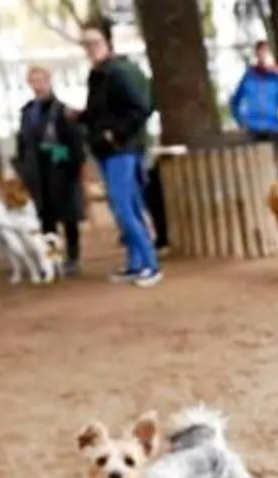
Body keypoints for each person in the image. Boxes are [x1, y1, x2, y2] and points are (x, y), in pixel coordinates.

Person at [78, 16, 161, 288]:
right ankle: (136, 262)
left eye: (94, 42)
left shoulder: (119, 72)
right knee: (127, 206)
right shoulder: (98, 74)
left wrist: (117, 134)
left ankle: (150, 263)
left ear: (107, 41)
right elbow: (100, 111)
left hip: (122, 150)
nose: (90, 48)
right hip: (106, 149)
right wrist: (83, 117)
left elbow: (142, 106)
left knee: (124, 206)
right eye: (85, 43)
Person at [15, 65, 87, 277]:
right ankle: (53, 259)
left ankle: (73, 258)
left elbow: (75, 145)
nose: (38, 85)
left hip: (61, 173)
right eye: (33, 81)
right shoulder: (27, 112)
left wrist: (71, 167)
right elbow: (22, 144)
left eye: (41, 80)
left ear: (49, 81)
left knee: (69, 218)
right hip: (36, 175)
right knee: (46, 221)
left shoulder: (63, 111)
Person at [230, 40, 278, 149]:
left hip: (273, 128)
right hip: (252, 129)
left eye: (265, 52)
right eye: (259, 52)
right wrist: (241, 122)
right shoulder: (249, 76)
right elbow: (235, 101)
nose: (262, 55)